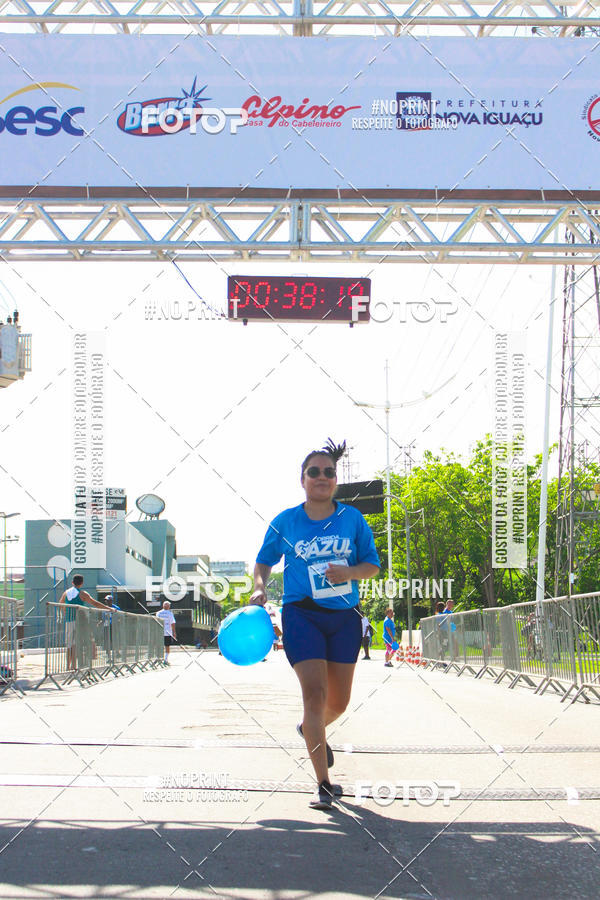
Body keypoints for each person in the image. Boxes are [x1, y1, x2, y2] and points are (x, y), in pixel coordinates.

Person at [251, 439, 380, 810]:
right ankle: (323, 783)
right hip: (301, 614)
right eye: (314, 471)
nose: (322, 477)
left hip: (344, 617)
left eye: (329, 472)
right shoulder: (286, 521)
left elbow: (372, 565)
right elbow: (263, 561)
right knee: (314, 694)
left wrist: (349, 572)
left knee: (338, 703)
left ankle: (310, 727)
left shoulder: (352, 519)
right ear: (302, 479)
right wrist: (259, 587)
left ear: (335, 479)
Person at [58, 575, 111, 670]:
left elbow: (61, 604)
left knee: (69, 644)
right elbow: (95, 603)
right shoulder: (82, 594)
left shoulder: (66, 593)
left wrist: (66, 612)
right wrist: (108, 608)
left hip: (69, 620)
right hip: (80, 621)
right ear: (82, 583)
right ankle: (74, 666)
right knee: (77, 643)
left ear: (72, 582)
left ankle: (68, 666)